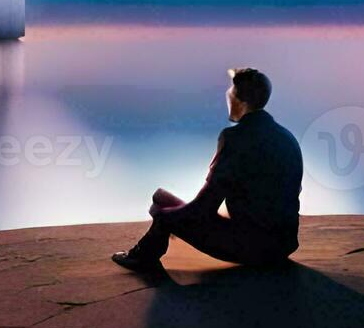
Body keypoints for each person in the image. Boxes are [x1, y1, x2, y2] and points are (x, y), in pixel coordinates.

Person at [112, 68, 302, 273]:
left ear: (240, 99)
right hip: (283, 245)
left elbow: (204, 207)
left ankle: (143, 256)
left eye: (231, 93)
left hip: (254, 248)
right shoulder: (286, 137)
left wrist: (165, 218)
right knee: (162, 197)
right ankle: (147, 251)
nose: (228, 97)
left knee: (162, 208)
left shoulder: (235, 138)